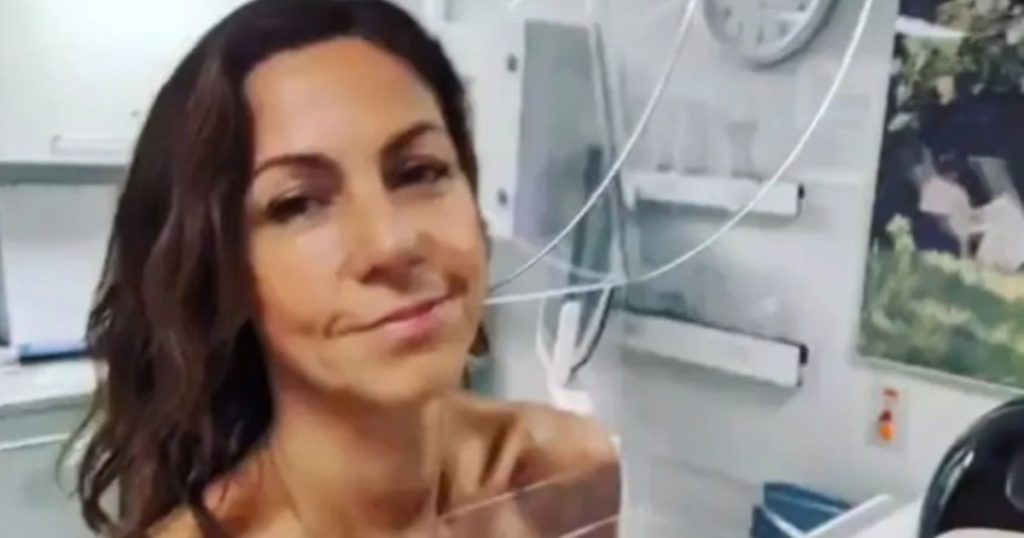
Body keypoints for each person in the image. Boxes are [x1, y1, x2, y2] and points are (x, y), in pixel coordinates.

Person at [70, 1, 620, 536]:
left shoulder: (568, 476)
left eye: (419, 172)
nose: (391, 243)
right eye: (298, 204)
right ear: (223, 276)